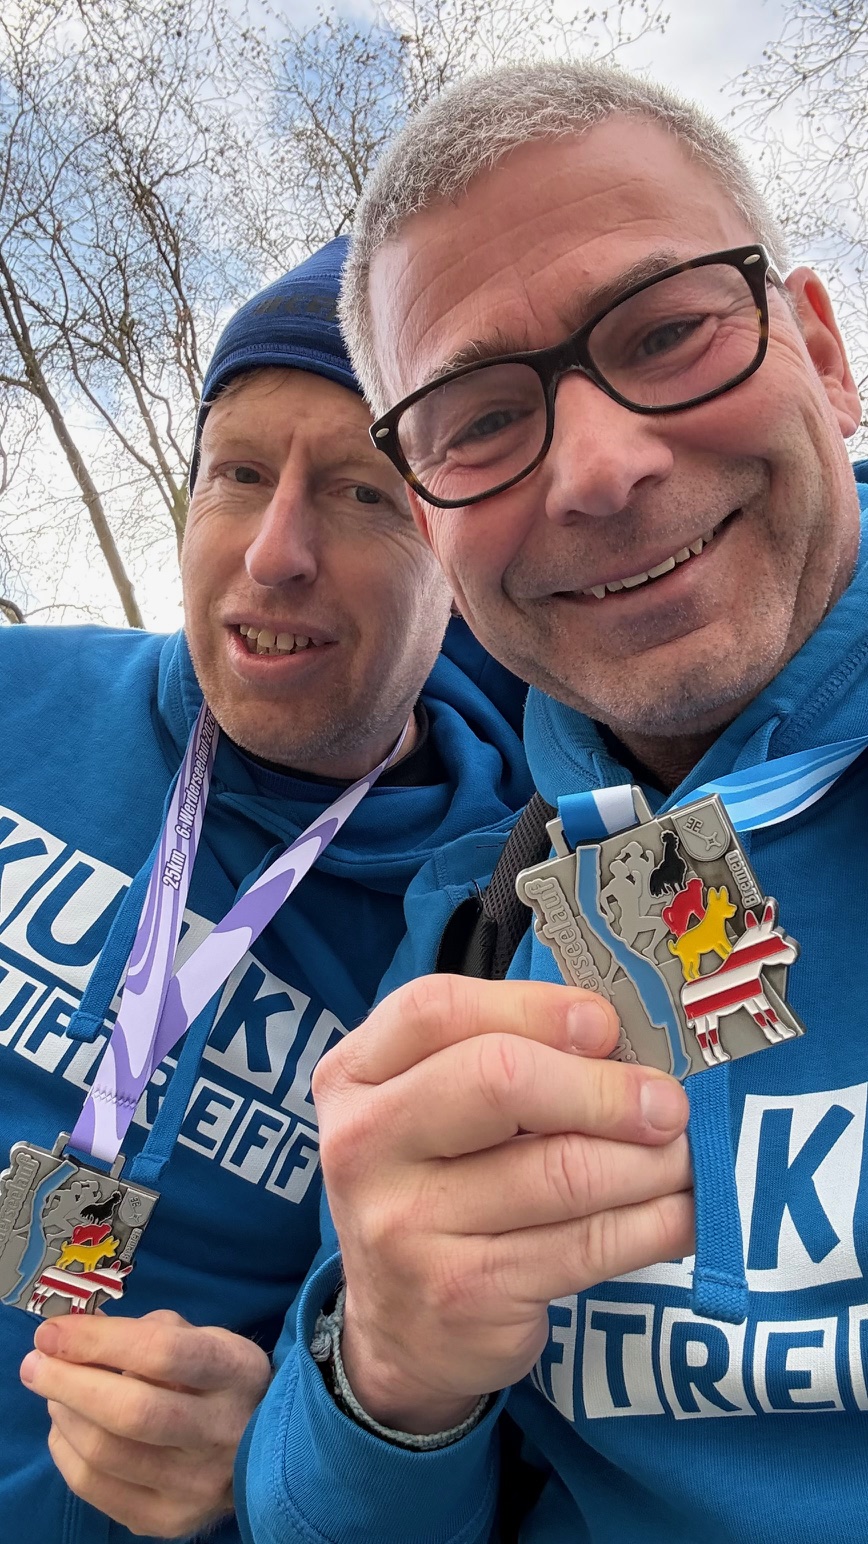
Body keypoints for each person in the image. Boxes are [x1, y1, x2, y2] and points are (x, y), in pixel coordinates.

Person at [237, 61, 868, 1544]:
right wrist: (388, 1381)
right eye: (475, 419)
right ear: (433, 521)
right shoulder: (466, 934)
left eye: (669, 331)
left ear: (825, 354)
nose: (599, 467)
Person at [0, 236, 533, 1544]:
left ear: (455, 559)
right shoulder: (19, 697)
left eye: (360, 492)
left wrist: (286, 1450)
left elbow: (470, 1440)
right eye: (237, 474)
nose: (275, 550)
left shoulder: (500, 935)